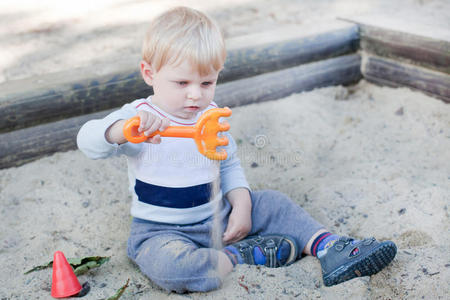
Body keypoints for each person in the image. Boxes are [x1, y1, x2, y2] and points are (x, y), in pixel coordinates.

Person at [77, 6, 397, 293]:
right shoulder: (137, 119)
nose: (195, 96)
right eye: (181, 83)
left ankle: (330, 247)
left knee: (272, 202)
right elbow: (87, 141)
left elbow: (227, 165)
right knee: (169, 267)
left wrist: (241, 203)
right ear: (150, 74)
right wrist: (119, 132)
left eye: (206, 83)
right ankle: (239, 255)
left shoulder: (209, 118)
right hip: (160, 232)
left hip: (218, 216)